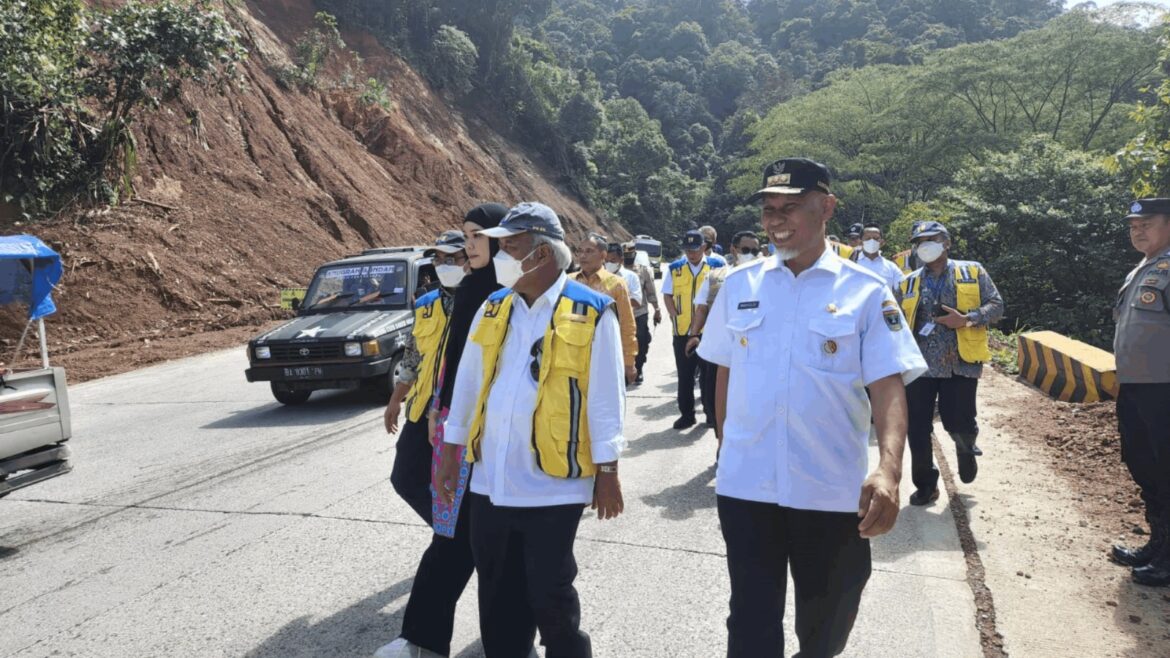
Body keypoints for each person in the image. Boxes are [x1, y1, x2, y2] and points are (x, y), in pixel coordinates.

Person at [698, 157, 926, 658]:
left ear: (826, 207)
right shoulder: (739, 286)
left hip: (829, 491)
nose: (776, 220)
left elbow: (888, 386)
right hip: (747, 488)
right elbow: (723, 371)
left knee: (826, 625)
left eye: (791, 207)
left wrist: (889, 470)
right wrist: (725, 444)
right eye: (768, 209)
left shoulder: (865, 291)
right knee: (750, 621)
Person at [436, 202, 626, 658]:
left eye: (510, 246)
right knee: (498, 600)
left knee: (551, 598)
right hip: (490, 483)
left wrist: (608, 469)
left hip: (553, 486)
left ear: (540, 255)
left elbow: (605, 397)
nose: (500, 255)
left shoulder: (593, 310)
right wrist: (449, 453)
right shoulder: (493, 306)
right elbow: (468, 380)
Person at [376, 204, 507, 658]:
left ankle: (518, 639)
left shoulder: (511, 291)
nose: (467, 248)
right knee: (453, 535)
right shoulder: (470, 289)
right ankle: (423, 640)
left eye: (476, 238)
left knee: (500, 544)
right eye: (465, 238)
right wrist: (441, 411)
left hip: (502, 438)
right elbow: (454, 363)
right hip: (457, 429)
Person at [899, 221, 1004, 505]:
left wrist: (967, 318)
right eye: (919, 241)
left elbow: (997, 305)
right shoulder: (907, 282)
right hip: (920, 366)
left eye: (931, 239)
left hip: (960, 362)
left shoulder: (972, 270)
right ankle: (925, 484)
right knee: (917, 427)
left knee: (959, 422)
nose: (925, 246)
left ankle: (965, 447)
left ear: (946, 243)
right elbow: (895, 321)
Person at [1110, 197, 1170, 587]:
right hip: (1136, 387)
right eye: (1133, 225)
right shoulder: (1143, 269)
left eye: (1147, 223)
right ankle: (1158, 543)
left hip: (1164, 389)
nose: (1137, 230)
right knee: (1144, 464)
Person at [689, 230, 762, 435]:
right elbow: (702, 308)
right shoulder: (717, 277)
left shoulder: (766, 280)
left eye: (755, 251)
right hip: (720, 344)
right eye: (746, 250)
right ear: (733, 249)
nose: (751, 254)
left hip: (752, 348)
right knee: (713, 396)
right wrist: (694, 335)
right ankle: (720, 438)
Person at [663, 230, 723, 430]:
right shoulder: (675, 268)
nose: (691, 254)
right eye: (688, 250)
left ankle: (709, 414)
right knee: (685, 376)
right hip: (682, 331)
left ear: (704, 247)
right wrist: (674, 315)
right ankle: (687, 415)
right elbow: (667, 294)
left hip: (709, 331)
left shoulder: (718, 266)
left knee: (709, 377)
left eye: (695, 249)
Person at [568, 234, 639, 385]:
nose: (583, 256)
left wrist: (629, 361)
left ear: (603, 255)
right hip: (570, 355)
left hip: (604, 355)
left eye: (589, 251)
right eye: (580, 251)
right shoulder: (568, 282)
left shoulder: (616, 284)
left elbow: (627, 324)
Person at [624, 242, 661, 384]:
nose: (629, 257)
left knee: (642, 341)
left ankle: (638, 368)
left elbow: (650, 292)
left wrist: (657, 309)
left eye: (631, 255)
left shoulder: (643, 270)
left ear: (635, 255)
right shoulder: (616, 272)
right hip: (623, 314)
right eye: (626, 255)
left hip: (640, 313)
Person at [854, 222, 905, 292]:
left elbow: (903, 289)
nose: (872, 241)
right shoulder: (852, 263)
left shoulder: (891, 268)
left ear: (882, 242)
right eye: (868, 238)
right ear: (860, 242)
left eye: (876, 238)